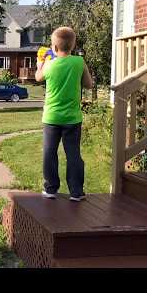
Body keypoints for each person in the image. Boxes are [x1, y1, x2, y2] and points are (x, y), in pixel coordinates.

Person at [35, 27, 93, 202]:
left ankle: (51, 188)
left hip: (51, 118)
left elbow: (38, 77)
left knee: (49, 152)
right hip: (72, 118)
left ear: (53, 46)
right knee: (73, 154)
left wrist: (40, 64)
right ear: (73, 45)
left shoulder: (49, 64)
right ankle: (76, 192)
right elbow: (89, 84)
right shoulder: (79, 62)